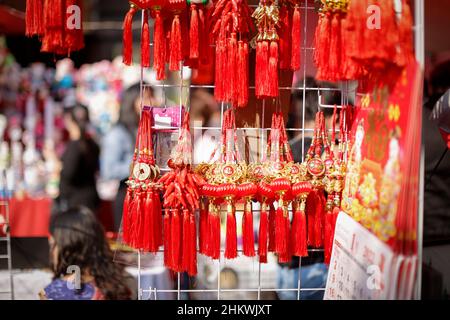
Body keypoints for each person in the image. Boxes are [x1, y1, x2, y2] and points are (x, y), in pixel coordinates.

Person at [39, 206, 132, 300]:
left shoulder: (55, 292)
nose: (51, 251)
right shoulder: (123, 280)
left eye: (52, 245)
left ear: (67, 248)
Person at [100, 84, 156, 231]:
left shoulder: (153, 130)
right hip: (128, 195)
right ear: (132, 101)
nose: (152, 102)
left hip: (151, 197)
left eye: (152, 96)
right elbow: (108, 170)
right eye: (145, 97)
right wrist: (139, 164)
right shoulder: (118, 133)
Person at [58, 104, 100, 212]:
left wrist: (55, 164)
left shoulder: (76, 146)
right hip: (89, 197)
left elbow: (68, 174)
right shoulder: (91, 143)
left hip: (76, 201)